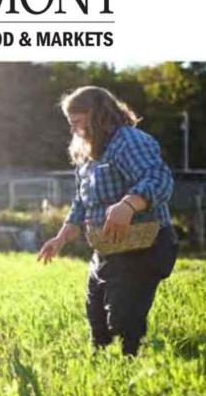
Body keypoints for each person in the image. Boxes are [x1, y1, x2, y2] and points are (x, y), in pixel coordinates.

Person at [37, 86, 178, 356]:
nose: (74, 130)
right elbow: (81, 202)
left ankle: (134, 364)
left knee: (124, 319)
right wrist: (60, 238)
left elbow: (160, 179)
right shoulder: (86, 153)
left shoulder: (128, 141)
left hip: (144, 245)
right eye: (71, 124)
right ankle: (101, 369)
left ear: (97, 115)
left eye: (77, 122)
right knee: (97, 321)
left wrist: (129, 204)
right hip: (108, 248)